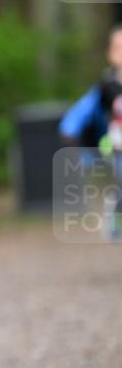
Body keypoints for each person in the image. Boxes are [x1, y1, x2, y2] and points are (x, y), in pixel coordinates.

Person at [60, 24, 122, 241]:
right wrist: (69, 128)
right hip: (114, 145)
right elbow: (84, 108)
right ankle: (115, 212)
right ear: (110, 54)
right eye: (118, 48)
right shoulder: (106, 85)